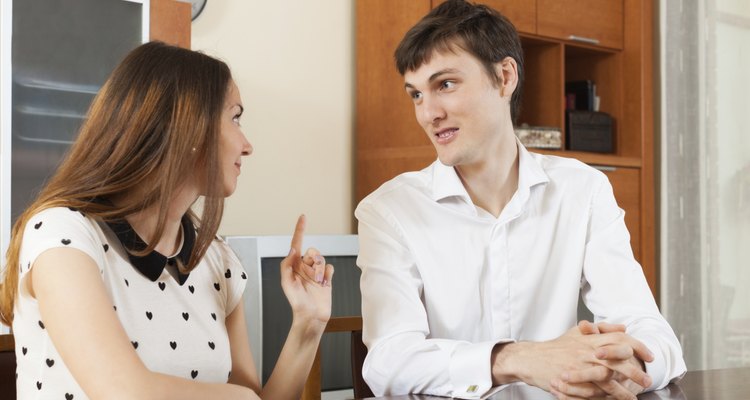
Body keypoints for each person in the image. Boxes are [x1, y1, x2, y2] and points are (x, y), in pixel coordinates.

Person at [354, 1, 686, 399]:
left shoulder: (583, 189)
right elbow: (388, 362)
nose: (429, 113)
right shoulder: (388, 211)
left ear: (505, 77)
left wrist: (619, 365)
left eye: (445, 84)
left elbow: (652, 333)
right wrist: (517, 359)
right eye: (416, 95)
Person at [0, 41, 334, 400]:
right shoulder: (62, 235)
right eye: (235, 117)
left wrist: (308, 324)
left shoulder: (216, 261)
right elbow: (123, 392)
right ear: (186, 126)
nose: (247, 144)